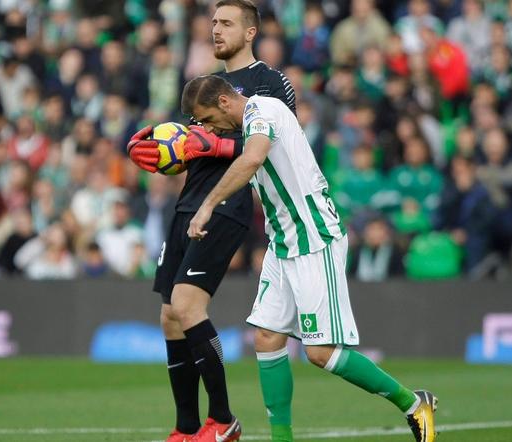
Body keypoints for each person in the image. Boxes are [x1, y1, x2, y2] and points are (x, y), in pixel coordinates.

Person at [182, 74, 437, 442]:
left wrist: (207, 205)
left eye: (206, 119)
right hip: (283, 242)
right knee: (267, 338)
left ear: (224, 102)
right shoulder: (246, 124)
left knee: (319, 352)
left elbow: (253, 159)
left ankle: (414, 404)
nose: (208, 127)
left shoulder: (263, 110)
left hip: (314, 238)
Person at [126, 1, 296, 441]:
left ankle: (222, 420)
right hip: (190, 204)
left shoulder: (269, 83)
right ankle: (186, 428)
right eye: (213, 22)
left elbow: (276, 146)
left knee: (187, 306)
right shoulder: (203, 84)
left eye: (226, 23)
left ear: (251, 31)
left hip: (228, 204)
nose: (216, 30)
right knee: (169, 316)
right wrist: (165, 155)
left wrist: (213, 147)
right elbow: (194, 149)